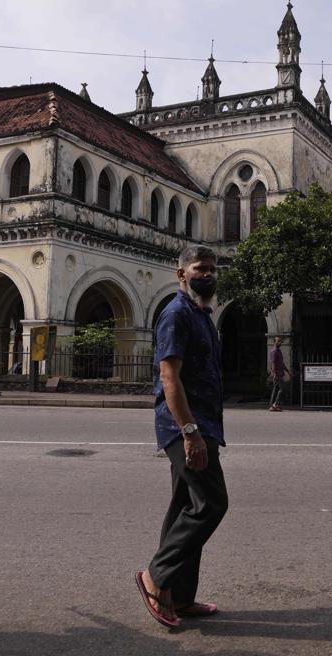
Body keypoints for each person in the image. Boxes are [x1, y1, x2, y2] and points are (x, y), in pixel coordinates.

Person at [136, 244, 227, 629]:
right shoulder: (175, 314)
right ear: (181, 274)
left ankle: (182, 595)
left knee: (183, 508)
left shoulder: (201, 314)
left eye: (210, 268)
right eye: (198, 268)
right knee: (210, 504)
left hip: (202, 423)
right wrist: (189, 433)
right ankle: (155, 577)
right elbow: (168, 377)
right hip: (185, 427)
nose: (206, 273)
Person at [268, 336, 291, 412]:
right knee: (282, 388)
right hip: (277, 373)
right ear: (274, 342)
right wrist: (274, 373)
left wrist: (287, 371)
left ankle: (273, 405)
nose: (280, 343)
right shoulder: (274, 351)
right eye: (278, 341)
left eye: (280, 341)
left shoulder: (279, 351)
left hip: (280, 373)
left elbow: (281, 363)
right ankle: (275, 404)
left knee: (275, 390)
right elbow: (273, 363)